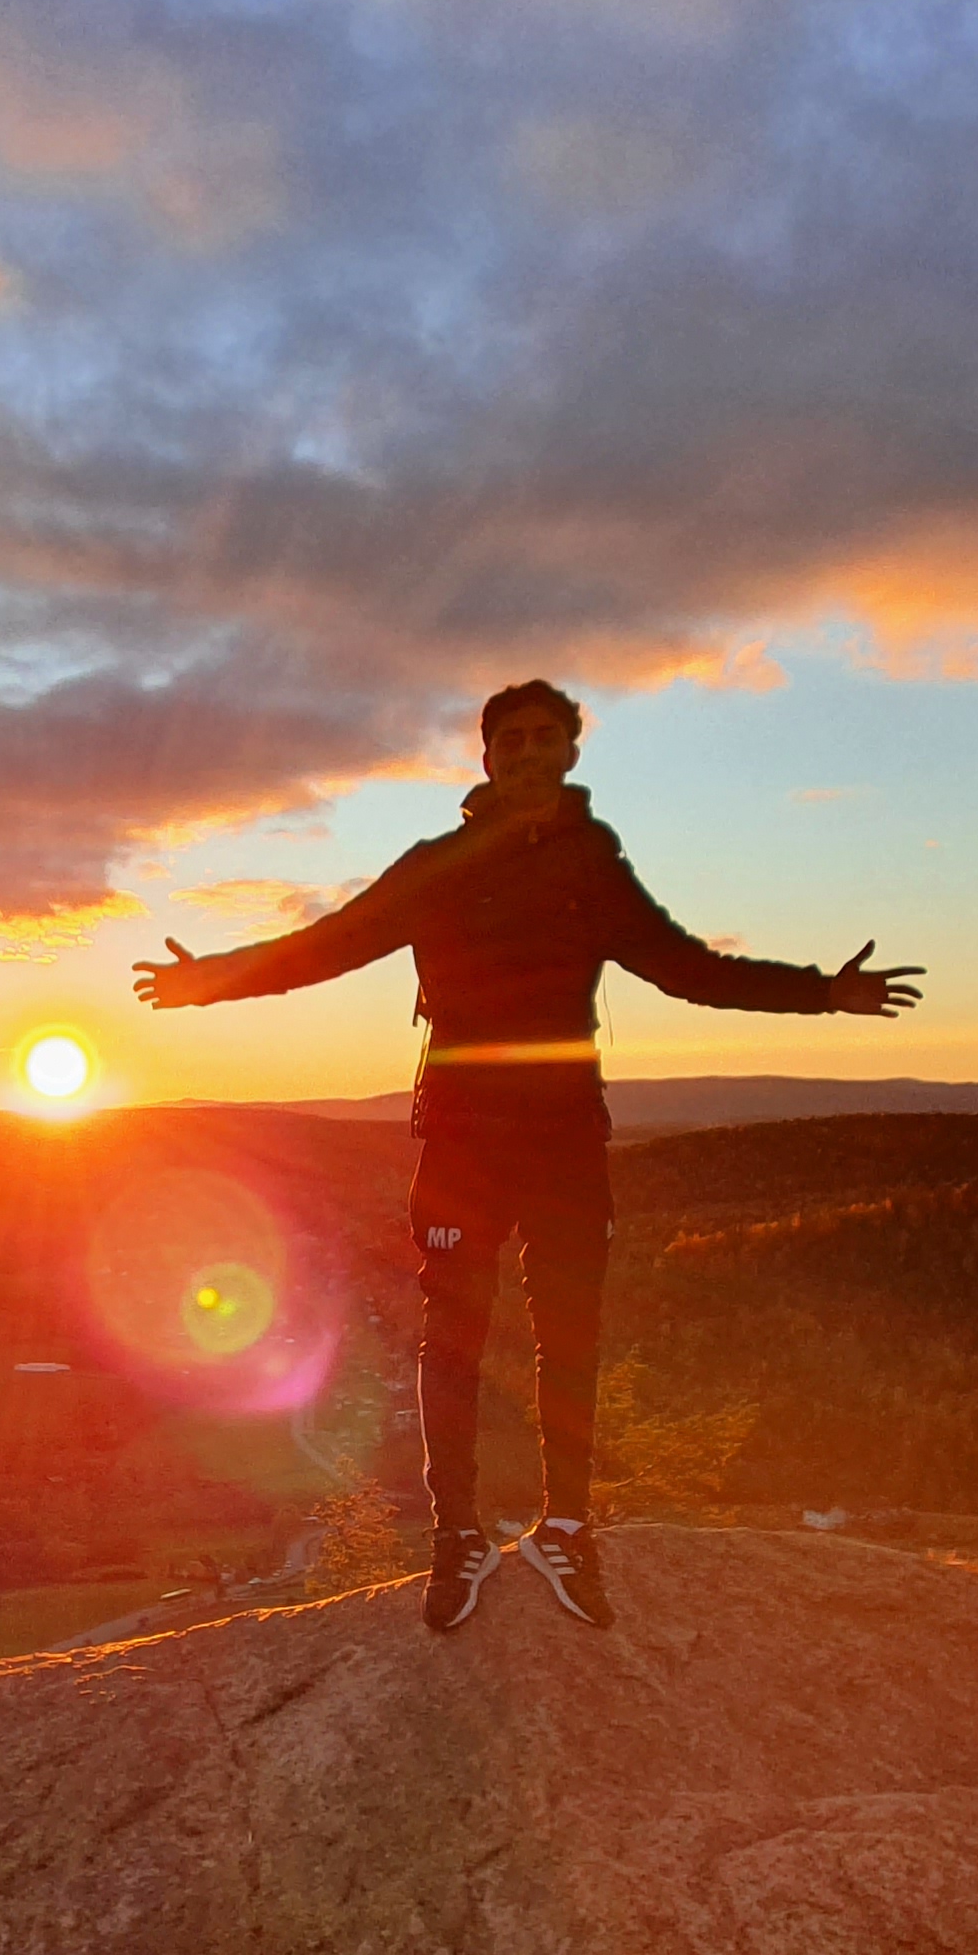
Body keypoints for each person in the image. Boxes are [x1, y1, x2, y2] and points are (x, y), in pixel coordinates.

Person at [135, 679, 913, 1632]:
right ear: (489, 758)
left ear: (571, 753)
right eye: (514, 739)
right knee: (453, 1340)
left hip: (565, 1136)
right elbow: (331, 945)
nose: (532, 752)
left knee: (570, 1336)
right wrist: (209, 981)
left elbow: (687, 969)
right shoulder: (438, 866)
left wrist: (822, 993)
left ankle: (566, 1530)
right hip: (462, 1136)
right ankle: (455, 1536)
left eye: (548, 737)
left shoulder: (593, 863)